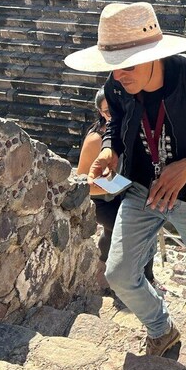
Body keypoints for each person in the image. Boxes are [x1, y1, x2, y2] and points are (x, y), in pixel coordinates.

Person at [65, 1, 186, 357]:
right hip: (140, 187)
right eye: (112, 67)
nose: (117, 76)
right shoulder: (119, 81)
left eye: (126, 66)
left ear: (154, 56)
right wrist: (110, 148)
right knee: (118, 273)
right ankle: (161, 328)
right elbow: (116, 119)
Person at [76, 88, 155, 289]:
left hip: (125, 193)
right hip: (104, 201)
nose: (113, 114)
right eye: (107, 111)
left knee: (116, 235)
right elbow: (82, 182)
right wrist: (112, 186)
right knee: (134, 234)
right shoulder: (96, 139)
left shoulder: (130, 129)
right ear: (100, 113)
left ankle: (108, 272)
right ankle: (137, 282)